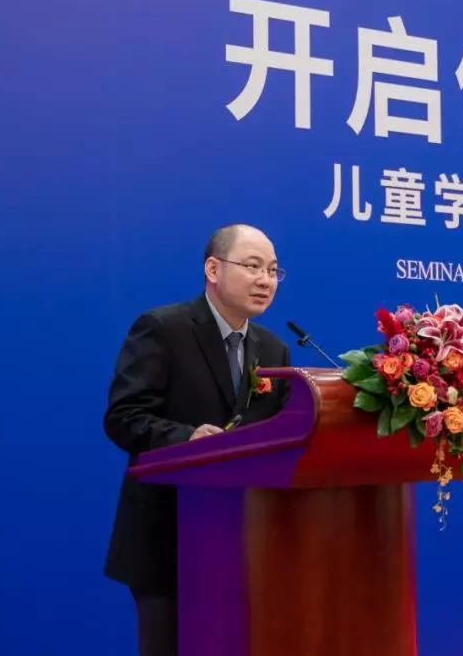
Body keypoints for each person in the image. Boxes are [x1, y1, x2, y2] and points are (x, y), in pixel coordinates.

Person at [103, 224, 291, 656]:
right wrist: (188, 438)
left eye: (273, 271)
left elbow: (280, 434)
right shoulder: (163, 329)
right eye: (252, 266)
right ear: (213, 269)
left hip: (246, 540)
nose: (265, 280)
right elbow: (124, 417)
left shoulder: (274, 349)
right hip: (169, 540)